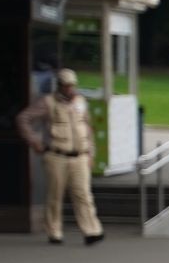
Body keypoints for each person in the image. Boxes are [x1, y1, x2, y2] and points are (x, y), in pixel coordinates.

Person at [17, 68, 105, 246]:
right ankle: (54, 231)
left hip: (79, 155)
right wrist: (35, 141)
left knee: (84, 195)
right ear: (59, 86)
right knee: (55, 195)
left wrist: (90, 152)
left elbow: (87, 128)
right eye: (66, 86)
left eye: (72, 85)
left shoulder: (80, 102)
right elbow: (23, 118)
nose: (70, 89)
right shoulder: (48, 103)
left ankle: (91, 230)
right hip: (57, 155)